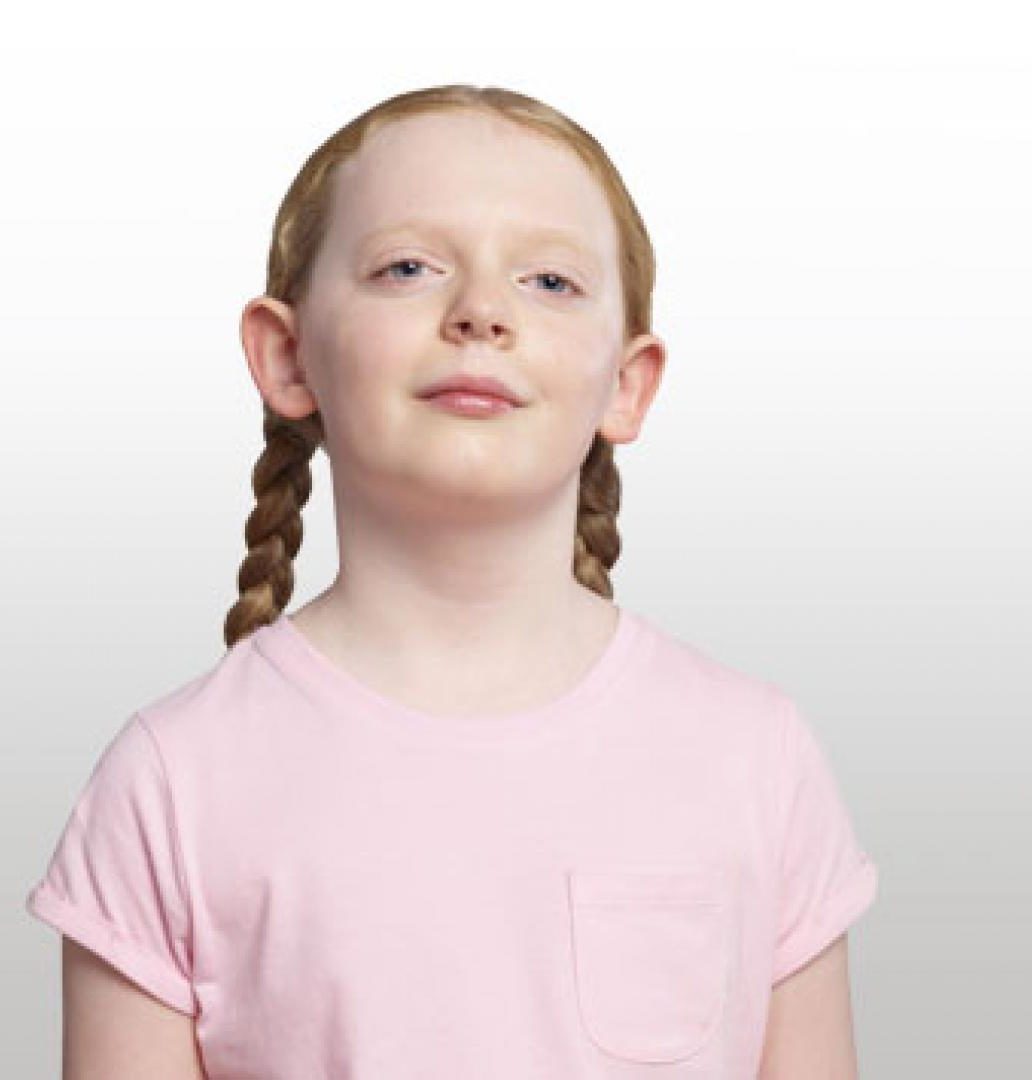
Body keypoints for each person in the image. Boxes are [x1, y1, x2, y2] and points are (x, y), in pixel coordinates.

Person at [26, 84, 878, 1078]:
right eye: (407, 267)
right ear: (287, 354)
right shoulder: (170, 783)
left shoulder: (754, 758)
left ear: (627, 382)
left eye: (550, 281)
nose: (480, 311)